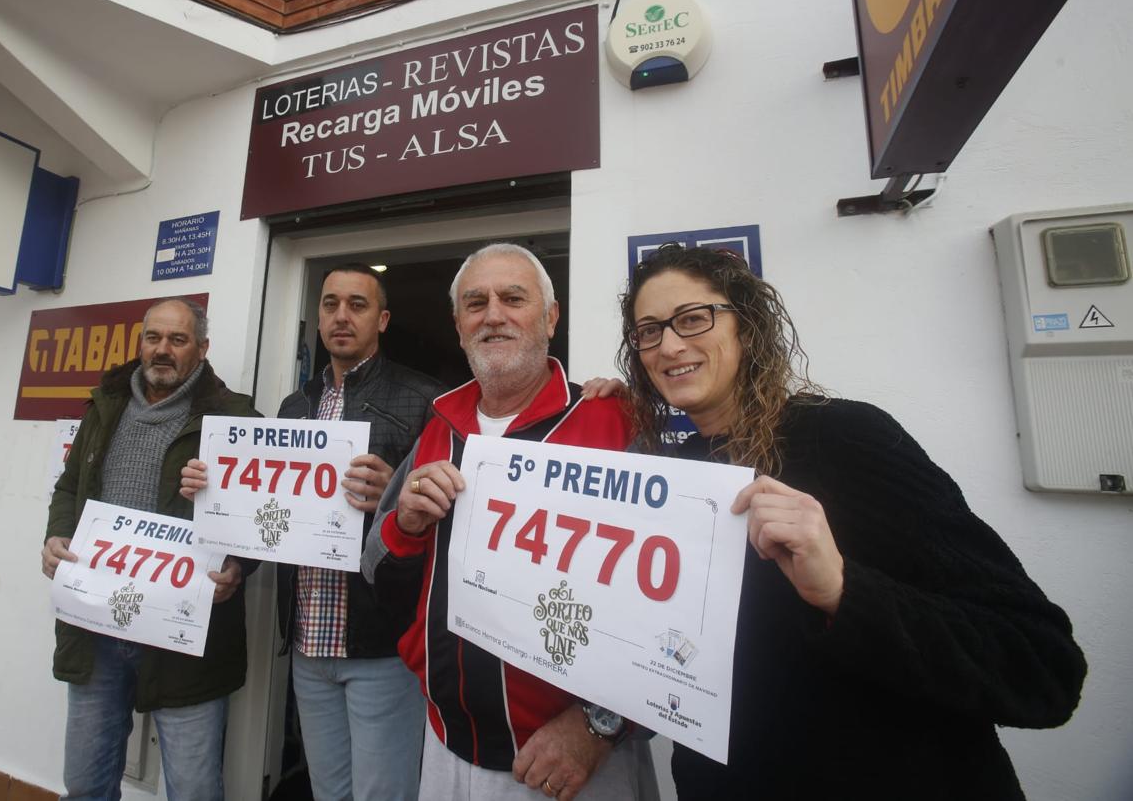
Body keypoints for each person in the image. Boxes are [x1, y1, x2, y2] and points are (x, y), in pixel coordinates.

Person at [616, 244, 1087, 799]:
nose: (669, 345)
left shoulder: (846, 438)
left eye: (693, 319)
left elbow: (1041, 666)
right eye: (648, 331)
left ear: (746, 325)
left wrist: (844, 590)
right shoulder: (680, 474)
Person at [362, 243, 657, 801]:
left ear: (550, 317)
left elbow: (675, 618)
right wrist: (404, 525)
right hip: (445, 746)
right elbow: (377, 570)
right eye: (476, 303)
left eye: (513, 299)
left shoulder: (614, 422)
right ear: (458, 327)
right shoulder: (438, 426)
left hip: (569, 766)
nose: (493, 314)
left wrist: (601, 724)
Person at [182, 264, 443, 800]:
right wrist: (218, 502)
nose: (341, 316)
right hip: (307, 644)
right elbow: (269, 518)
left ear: (383, 319)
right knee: (328, 793)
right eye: (329, 304)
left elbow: (453, 524)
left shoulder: (427, 402)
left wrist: (397, 492)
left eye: (357, 304)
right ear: (317, 317)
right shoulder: (293, 407)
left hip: (382, 648)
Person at [41, 298, 260, 801]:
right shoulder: (104, 404)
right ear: (140, 343)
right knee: (85, 784)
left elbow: (261, 517)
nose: (163, 350)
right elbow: (68, 488)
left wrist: (238, 565)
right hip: (95, 627)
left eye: (178, 340)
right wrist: (56, 537)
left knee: (193, 789)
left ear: (202, 349)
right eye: (153, 338)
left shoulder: (234, 417)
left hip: (184, 635)